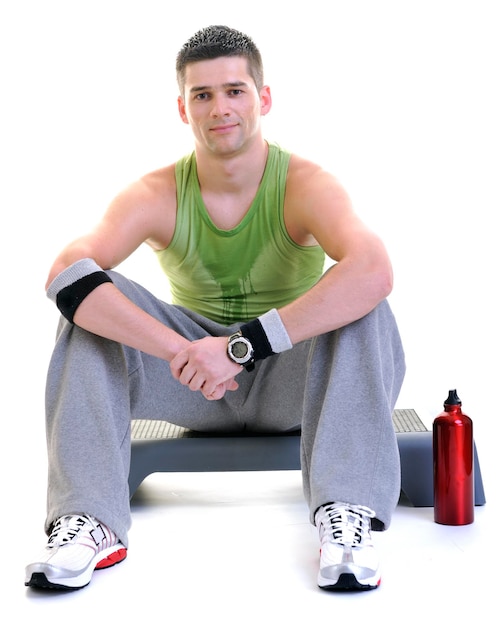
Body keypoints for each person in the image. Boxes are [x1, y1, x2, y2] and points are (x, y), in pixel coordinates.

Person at [25, 25, 405, 593]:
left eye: (234, 91)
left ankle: (346, 522)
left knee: (361, 300)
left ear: (263, 98)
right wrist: (184, 350)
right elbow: (65, 272)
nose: (219, 108)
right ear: (183, 108)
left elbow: (375, 269)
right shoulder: (155, 193)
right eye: (203, 95)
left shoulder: (304, 184)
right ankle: (89, 524)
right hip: (191, 380)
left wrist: (240, 347)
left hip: (286, 375)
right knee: (88, 302)